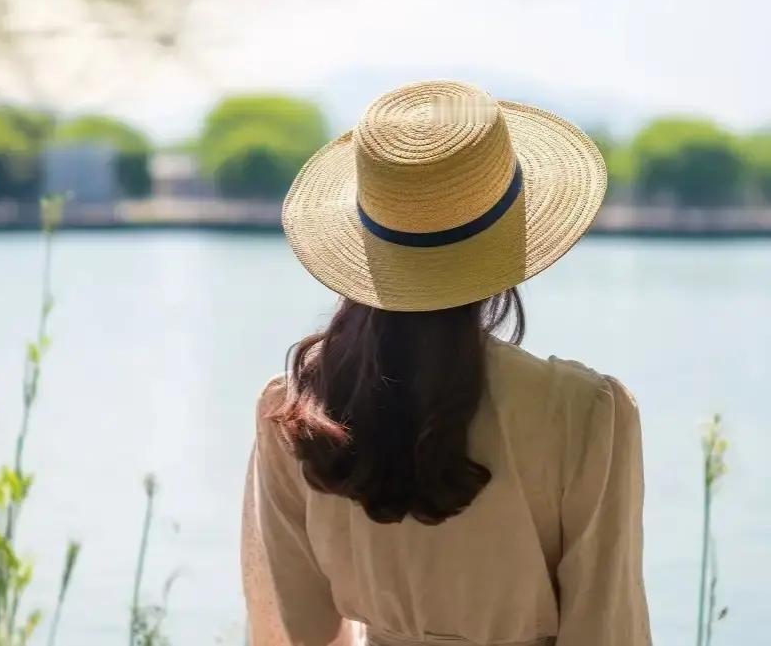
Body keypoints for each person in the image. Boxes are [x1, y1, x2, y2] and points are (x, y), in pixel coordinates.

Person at [241, 80, 651, 646]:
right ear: (511, 239)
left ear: (365, 240)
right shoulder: (583, 413)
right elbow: (606, 629)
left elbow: (295, 630)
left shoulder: (295, 410)